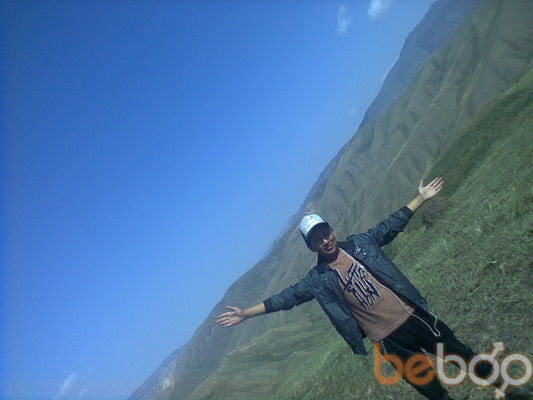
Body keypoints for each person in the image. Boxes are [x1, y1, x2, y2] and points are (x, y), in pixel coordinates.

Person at [216, 177, 529, 400]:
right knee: (431, 390)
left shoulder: (360, 244)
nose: (324, 240)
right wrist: (246, 313)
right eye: (316, 238)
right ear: (310, 246)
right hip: (390, 341)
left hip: (412, 317)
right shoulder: (317, 279)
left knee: (463, 356)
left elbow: (390, 226)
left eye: (325, 232)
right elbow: (287, 298)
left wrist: (420, 198)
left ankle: (510, 389)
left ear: (331, 230)